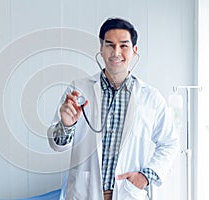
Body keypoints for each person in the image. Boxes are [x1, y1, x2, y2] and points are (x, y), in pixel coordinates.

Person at [47, 18, 179, 200]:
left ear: (134, 50)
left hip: (128, 193)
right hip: (84, 193)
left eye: (123, 46)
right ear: (101, 49)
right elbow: (57, 145)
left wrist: (146, 176)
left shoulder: (151, 97)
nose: (116, 52)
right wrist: (67, 125)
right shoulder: (78, 90)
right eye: (110, 45)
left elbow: (169, 143)